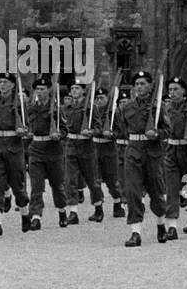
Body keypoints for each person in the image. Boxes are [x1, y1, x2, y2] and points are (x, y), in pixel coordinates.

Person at [114, 70, 168, 247]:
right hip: (133, 152)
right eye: (137, 84)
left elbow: (168, 130)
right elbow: (122, 128)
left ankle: (161, 224)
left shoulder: (158, 106)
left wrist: (157, 134)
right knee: (132, 191)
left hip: (152, 152)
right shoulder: (126, 107)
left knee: (156, 192)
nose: (139, 87)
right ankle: (135, 232)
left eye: (143, 83)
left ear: (150, 86)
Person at [160, 76, 187, 240]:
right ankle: (171, 226)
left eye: (176, 89)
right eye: (170, 89)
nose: (172, 93)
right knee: (171, 189)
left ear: (184, 91)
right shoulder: (165, 108)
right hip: (171, 151)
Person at [22, 76, 67, 232]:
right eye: (37, 89)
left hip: (53, 150)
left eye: (43, 89)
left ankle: (62, 211)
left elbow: (64, 129)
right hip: (35, 150)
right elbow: (27, 126)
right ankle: (36, 217)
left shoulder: (56, 108)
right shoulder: (31, 108)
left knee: (57, 185)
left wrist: (59, 134)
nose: (40, 92)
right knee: (36, 186)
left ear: (49, 90)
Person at [0, 73, 30, 222]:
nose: (2, 85)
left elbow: (28, 124)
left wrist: (23, 130)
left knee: (17, 184)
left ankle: (25, 213)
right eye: (0, 82)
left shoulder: (19, 103)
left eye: (6, 82)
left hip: (14, 146)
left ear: (13, 85)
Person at [62, 82, 104, 224]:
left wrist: (91, 132)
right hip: (71, 145)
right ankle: (73, 212)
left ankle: (98, 207)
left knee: (92, 180)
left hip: (86, 146)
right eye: (72, 88)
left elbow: (99, 128)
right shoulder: (65, 108)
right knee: (70, 180)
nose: (74, 91)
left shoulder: (91, 108)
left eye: (77, 88)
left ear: (84, 91)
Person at [90, 85, 125, 219]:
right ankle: (98, 208)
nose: (99, 101)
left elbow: (120, 131)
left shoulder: (114, 113)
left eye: (102, 98)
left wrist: (111, 134)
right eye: (97, 98)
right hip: (94, 148)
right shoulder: (91, 112)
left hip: (109, 148)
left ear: (107, 99)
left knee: (112, 180)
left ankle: (117, 204)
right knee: (95, 180)